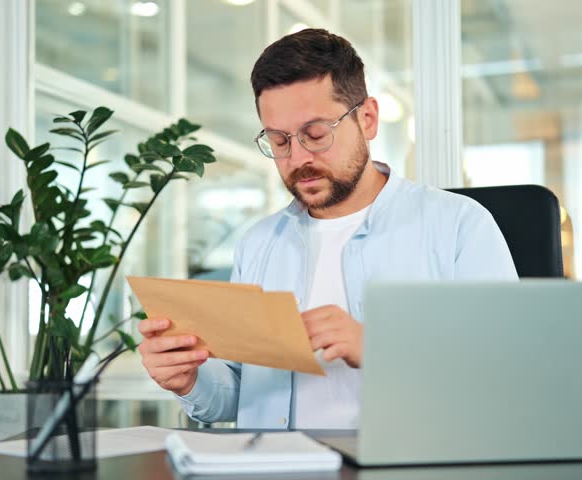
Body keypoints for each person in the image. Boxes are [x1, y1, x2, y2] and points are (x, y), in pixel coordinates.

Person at [137, 29, 517, 429]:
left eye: (316, 134)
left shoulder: (458, 226)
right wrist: (190, 380)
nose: (299, 157)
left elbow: (507, 378)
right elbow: (240, 395)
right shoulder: (259, 244)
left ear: (367, 119)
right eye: (279, 141)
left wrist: (381, 349)